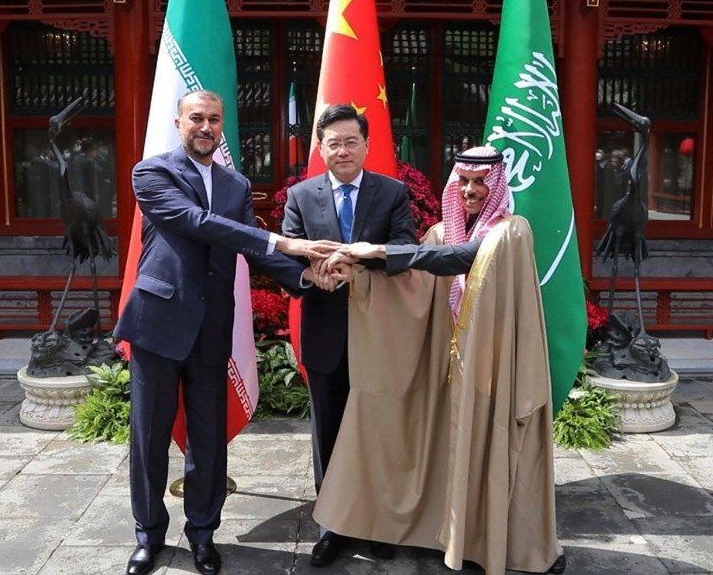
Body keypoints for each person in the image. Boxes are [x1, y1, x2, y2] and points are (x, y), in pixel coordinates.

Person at [113, 90, 338, 575]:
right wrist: (282, 237)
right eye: (197, 117)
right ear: (179, 123)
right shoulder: (151, 173)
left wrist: (304, 276)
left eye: (215, 120)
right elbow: (197, 223)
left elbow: (253, 251)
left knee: (208, 440)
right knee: (149, 439)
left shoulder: (236, 184)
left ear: (222, 128)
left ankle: (202, 535)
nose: (206, 126)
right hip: (158, 322)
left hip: (212, 326)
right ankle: (148, 536)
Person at [315, 145, 566, 574]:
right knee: (444, 446)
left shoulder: (511, 231)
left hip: (492, 367)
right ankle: (449, 535)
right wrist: (358, 273)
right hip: (446, 367)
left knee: (490, 447)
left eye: (480, 182)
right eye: (463, 182)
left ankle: (497, 543)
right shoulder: (437, 232)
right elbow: (413, 282)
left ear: (497, 184)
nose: (470, 190)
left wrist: (373, 251)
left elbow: (464, 258)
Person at [281, 103, 418, 567]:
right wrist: (309, 276)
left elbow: (406, 250)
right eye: (333, 143)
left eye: (351, 141)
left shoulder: (391, 192)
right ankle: (333, 525)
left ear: (366, 145)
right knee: (330, 433)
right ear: (320, 148)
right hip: (325, 330)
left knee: (376, 430)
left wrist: (360, 262)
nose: (343, 150)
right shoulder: (300, 196)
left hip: (378, 332)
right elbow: (286, 255)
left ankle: (376, 521)